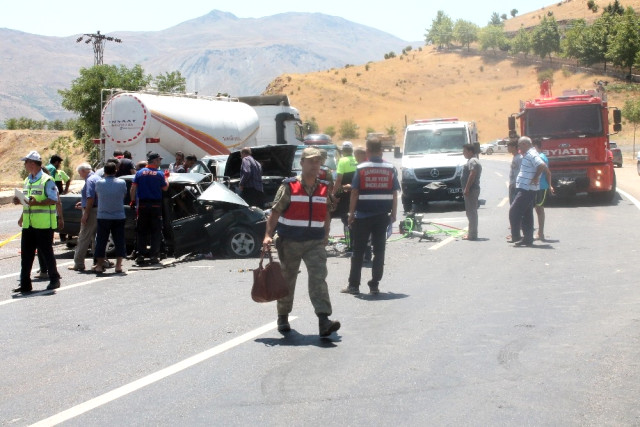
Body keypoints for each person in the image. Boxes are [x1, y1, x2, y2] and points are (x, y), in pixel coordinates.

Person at [262, 147, 341, 337]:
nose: (315, 165)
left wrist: (326, 233)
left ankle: (324, 320)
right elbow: (275, 212)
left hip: (315, 241)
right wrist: (267, 235)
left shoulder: (323, 187)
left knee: (318, 278)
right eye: (311, 161)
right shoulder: (289, 186)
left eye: (318, 161)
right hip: (290, 242)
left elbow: (327, 211)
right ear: (302, 163)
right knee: (288, 279)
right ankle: (283, 316)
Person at [342, 140, 399, 295]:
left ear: (367, 151)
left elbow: (354, 192)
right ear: (380, 150)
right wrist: (394, 213)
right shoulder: (390, 168)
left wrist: (351, 214)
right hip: (382, 216)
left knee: (358, 250)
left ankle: (354, 285)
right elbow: (394, 193)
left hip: (363, 216)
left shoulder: (361, 168)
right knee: (379, 251)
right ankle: (374, 285)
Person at [12, 151, 61, 293]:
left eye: (26, 162)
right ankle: (25, 284)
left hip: (44, 224)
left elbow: (54, 199)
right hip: (29, 224)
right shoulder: (28, 180)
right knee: (26, 255)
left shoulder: (47, 180)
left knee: (46, 253)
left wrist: (37, 202)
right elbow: (28, 200)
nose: (25, 165)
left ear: (32, 163)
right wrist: (19, 200)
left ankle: (54, 279)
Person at [508, 136, 552, 247]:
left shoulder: (531, 154)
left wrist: (536, 177)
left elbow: (541, 165)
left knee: (514, 211)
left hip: (527, 189)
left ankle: (516, 236)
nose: (518, 148)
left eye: (519, 145)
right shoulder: (528, 154)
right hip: (526, 187)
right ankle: (528, 239)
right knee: (526, 214)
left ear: (525, 144)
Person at [130, 152, 168, 265]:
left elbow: (133, 188)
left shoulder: (140, 173)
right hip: (155, 205)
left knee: (141, 231)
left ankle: (140, 254)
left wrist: (132, 201)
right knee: (155, 231)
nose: (160, 162)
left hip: (142, 205)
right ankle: (154, 256)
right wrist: (166, 177)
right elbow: (165, 188)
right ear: (155, 161)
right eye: (159, 160)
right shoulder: (160, 174)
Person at [94, 162, 128, 274]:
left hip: (103, 215)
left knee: (101, 241)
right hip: (118, 215)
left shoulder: (99, 183)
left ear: (104, 172)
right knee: (119, 240)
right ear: (116, 170)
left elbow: (99, 196)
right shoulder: (121, 183)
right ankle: (118, 265)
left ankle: (99, 265)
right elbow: (123, 195)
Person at [69, 163, 101, 271]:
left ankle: (79, 263)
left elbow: (90, 198)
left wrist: (86, 213)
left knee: (83, 237)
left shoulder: (90, 180)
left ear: (83, 171)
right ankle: (101, 261)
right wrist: (83, 203)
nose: (80, 175)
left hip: (91, 211)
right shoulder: (97, 177)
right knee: (96, 237)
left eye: (80, 173)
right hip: (98, 210)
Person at [35, 166, 64, 280]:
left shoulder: (48, 184)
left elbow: (58, 202)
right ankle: (45, 269)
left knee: (44, 247)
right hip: (43, 220)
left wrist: (61, 218)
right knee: (43, 247)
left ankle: (46, 270)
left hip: (47, 221)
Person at [333, 141, 357, 251]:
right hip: (357, 192)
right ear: (352, 151)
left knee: (346, 218)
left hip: (346, 193)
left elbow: (338, 179)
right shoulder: (357, 160)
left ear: (343, 151)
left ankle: (350, 244)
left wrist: (333, 193)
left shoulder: (342, 161)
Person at [532, 139, 554, 241]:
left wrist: (549, 186)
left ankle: (540, 233)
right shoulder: (538, 157)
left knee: (539, 209)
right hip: (537, 187)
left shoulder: (541, 158)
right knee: (537, 209)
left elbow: (548, 173)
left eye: (532, 147)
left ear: (536, 146)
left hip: (541, 186)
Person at [461, 144, 482, 241]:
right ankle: (471, 233)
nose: (463, 153)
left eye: (465, 151)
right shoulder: (471, 161)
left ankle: (472, 234)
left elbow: (472, 174)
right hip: (471, 189)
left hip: (472, 190)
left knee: (471, 212)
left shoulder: (473, 161)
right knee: (470, 212)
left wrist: (467, 188)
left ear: (470, 152)